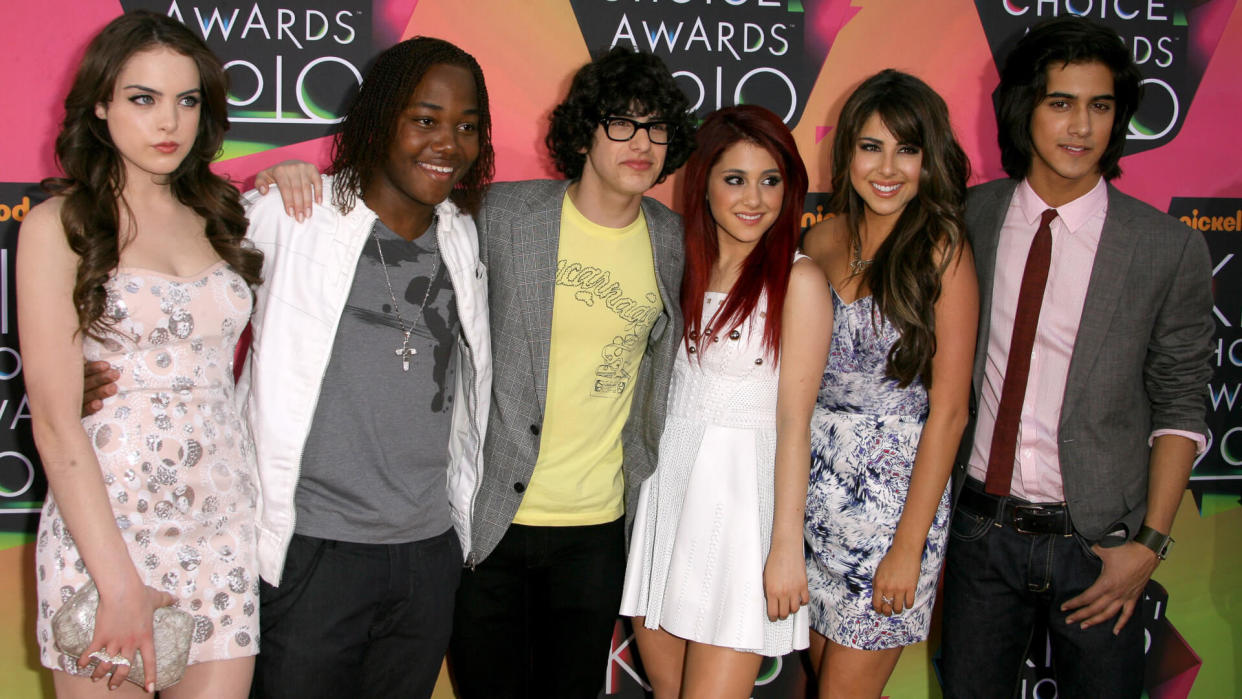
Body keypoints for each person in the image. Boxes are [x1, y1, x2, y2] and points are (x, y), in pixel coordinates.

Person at [254, 45, 695, 698]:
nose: (640, 141)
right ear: (584, 130)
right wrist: (283, 176)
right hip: (473, 527)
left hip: (556, 533)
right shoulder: (496, 216)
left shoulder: (669, 240)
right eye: (620, 122)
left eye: (656, 125)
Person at [87, 36, 494, 699]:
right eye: (425, 119)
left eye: (467, 125)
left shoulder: (462, 232)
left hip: (426, 552)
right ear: (379, 119)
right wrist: (88, 366)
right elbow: (168, 286)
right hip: (312, 554)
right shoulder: (293, 214)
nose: (446, 140)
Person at [939, 17, 1213, 698]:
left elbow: (1181, 403)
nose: (1080, 126)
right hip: (980, 533)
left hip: (1100, 546)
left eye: (1101, 106)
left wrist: (1148, 544)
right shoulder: (965, 219)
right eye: (1061, 102)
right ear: (1025, 107)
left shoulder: (1165, 248)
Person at [22, 11, 263, 697]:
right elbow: (55, 419)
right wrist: (118, 581)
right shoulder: (59, 226)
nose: (170, 123)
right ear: (100, 104)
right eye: (143, 98)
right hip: (106, 534)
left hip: (221, 530)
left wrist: (285, 175)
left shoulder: (225, 215)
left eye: (188, 100)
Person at [618, 105, 831, 698]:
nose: (755, 198)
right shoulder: (678, 265)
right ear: (704, 180)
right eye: (735, 178)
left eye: (771, 180)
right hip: (667, 497)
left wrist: (785, 547)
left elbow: (795, 425)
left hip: (743, 516)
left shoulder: (800, 280)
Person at [800, 69, 977, 698]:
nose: (888, 167)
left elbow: (951, 413)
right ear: (846, 149)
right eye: (871, 146)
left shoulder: (941, 249)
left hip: (890, 512)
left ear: (929, 158)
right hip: (810, 502)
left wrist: (907, 548)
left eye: (907, 148)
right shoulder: (818, 240)